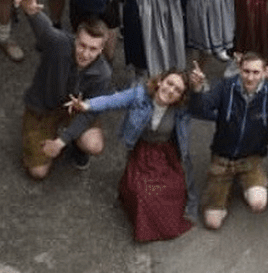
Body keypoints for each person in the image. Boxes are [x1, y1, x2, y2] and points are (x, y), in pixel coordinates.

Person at [187, 52, 268, 229]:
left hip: (251, 159)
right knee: (213, 223)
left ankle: (245, 181)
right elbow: (199, 109)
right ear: (239, 69)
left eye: (256, 72)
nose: (250, 77)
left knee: (258, 203)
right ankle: (224, 190)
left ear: (264, 72)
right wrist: (197, 90)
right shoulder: (224, 87)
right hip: (222, 159)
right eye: (246, 71)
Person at [67, 70, 196, 242]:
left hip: (165, 153)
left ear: (181, 97)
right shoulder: (139, 94)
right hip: (142, 151)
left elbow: (204, 105)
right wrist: (86, 105)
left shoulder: (181, 109)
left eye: (178, 90)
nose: (171, 90)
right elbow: (112, 101)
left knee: (174, 189)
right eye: (169, 83)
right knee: (141, 193)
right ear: (160, 81)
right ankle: (146, 225)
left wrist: (200, 87)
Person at [15, 0, 113, 178]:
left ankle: (75, 144)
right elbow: (44, 29)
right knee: (38, 172)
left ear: (101, 50)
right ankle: (46, 134)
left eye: (93, 49)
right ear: (75, 39)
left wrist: (61, 142)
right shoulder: (59, 43)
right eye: (82, 45)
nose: (85, 54)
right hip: (43, 108)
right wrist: (31, 11)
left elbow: (91, 110)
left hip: (75, 110)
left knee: (94, 144)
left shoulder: (103, 74)